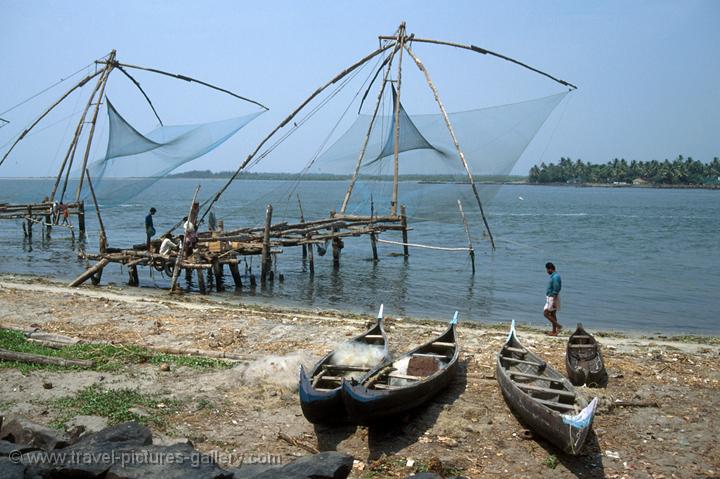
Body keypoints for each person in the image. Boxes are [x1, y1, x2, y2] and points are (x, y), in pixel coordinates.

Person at [543, 262, 562, 336]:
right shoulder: (555, 276)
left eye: (547, 269)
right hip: (552, 297)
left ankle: (558, 326)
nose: (547, 271)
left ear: (550, 269)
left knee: (546, 313)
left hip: (552, 297)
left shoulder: (555, 277)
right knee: (553, 314)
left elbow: (556, 288)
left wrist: (553, 300)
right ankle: (554, 332)